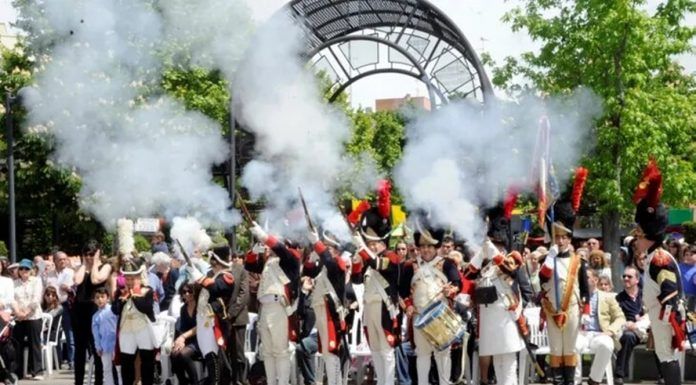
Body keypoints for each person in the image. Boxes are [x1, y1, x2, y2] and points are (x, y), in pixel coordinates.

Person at [631, 159, 683, 385]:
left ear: (649, 236)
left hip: (664, 316)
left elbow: (670, 290)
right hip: (658, 315)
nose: (637, 240)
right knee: (663, 357)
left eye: (639, 235)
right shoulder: (653, 257)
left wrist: (666, 319)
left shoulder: (659, 258)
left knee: (666, 357)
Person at [349, 191, 402, 385]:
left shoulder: (392, 256)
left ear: (383, 241)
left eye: (375, 242)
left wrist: (364, 251)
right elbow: (356, 280)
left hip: (384, 307)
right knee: (376, 350)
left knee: (387, 351)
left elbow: (379, 265)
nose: (372, 246)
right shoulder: (366, 258)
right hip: (369, 308)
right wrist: (356, 260)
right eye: (369, 242)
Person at [400, 222, 461, 385]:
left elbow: (457, 283)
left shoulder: (447, 264)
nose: (426, 249)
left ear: (436, 247)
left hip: (440, 316)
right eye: (423, 246)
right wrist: (408, 305)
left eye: (429, 246)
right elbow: (402, 292)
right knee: (422, 355)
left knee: (443, 355)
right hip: (419, 317)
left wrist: (450, 291)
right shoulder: (410, 266)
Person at [539, 200, 590, 385]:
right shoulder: (548, 259)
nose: (560, 241)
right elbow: (542, 279)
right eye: (557, 237)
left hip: (572, 309)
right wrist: (549, 258)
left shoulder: (578, 261)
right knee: (555, 349)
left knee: (569, 350)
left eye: (563, 238)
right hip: (553, 309)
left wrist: (585, 312)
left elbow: (585, 289)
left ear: (569, 239)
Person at [246, 224, 301, 385]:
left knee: (281, 351)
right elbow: (249, 264)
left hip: (280, 309)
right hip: (265, 309)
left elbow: (281, 250)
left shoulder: (290, 259)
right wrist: (255, 250)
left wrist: (264, 236)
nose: (268, 248)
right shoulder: (268, 263)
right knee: (267, 352)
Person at [185, 244, 236, 385]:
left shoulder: (227, 276)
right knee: (209, 358)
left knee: (214, 359)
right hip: (204, 322)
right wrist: (193, 275)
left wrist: (198, 276)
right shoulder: (211, 275)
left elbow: (215, 288)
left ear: (216, 260)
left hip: (215, 323)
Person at [574, 269, 625, 385]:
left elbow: (620, 317)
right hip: (580, 333)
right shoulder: (575, 296)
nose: (582, 279)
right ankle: (576, 382)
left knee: (607, 345)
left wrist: (610, 331)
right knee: (573, 345)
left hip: (600, 333)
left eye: (586, 277)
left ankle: (594, 379)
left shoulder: (607, 297)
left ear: (595, 280)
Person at [112, 259, 156, 385]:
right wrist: (122, 300)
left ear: (138, 277)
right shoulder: (120, 292)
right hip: (126, 329)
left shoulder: (147, 290)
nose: (130, 282)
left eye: (133, 279)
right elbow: (115, 310)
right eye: (128, 279)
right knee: (126, 362)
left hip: (143, 328)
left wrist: (135, 295)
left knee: (147, 360)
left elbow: (146, 308)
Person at [73, 240, 111, 385]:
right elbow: (77, 281)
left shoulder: (105, 266)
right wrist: (84, 264)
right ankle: (78, 382)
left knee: (97, 349)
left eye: (92, 254)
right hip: (79, 311)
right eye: (86, 254)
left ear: (98, 253)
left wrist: (95, 262)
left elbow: (96, 280)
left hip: (96, 310)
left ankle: (99, 382)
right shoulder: (81, 267)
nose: (89, 257)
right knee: (80, 350)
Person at [614, 266, 649, 385]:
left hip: (647, 331)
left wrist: (640, 322)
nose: (626, 278)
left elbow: (652, 313)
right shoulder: (619, 298)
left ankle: (663, 375)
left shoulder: (646, 296)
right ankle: (619, 375)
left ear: (637, 280)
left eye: (629, 276)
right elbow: (616, 317)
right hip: (629, 332)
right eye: (624, 276)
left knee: (658, 336)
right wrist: (626, 323)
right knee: (628, 336)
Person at [13, 259, 44, 380]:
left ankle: (37, 371)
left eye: (26, 269)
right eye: (21, 268)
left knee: (34, 343)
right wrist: (18, 313)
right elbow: (12, 299)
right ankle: (18, 372)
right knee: (17, 344)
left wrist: (26, 313)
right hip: (18, 316)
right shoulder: (14, 283)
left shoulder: (36, 281)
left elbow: (36, 298)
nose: (23, 271)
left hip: (33, 315)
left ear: (31, 270)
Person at [171, 283, 201, 385]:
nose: (187, 294)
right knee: (174, 353)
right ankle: (183, 381)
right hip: (189, 339)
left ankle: (194, 382)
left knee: (183, 355)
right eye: (184, 292)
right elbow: (182, 328)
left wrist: (183, 337)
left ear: (195, 292)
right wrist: (179, 342)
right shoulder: (183, 309)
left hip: (201, 340)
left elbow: (200, 327)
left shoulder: (201, 306)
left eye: (190, 291)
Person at [228, 252, 250, 385]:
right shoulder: (218, 271)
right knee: (226, 352)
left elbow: (244, 294)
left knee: (238, 353)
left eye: (238, 257)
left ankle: (241, 379)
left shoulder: (241, 271)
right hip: (223, 319)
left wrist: (231, 313)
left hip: (237, 318)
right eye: (233, 257)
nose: (235, 259)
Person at [52, 251, 75, 369]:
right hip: (53, 306)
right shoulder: (48, 274)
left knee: (69, 333)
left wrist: (69, 288)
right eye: (60, 259)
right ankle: (57, 361)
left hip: (67, 305)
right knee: (54, 334)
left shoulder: (71, 273)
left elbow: (75, 289)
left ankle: (72, 361)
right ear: (54, 261)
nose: (63, 261)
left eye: (65, 259)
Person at [91, 287, 118, 385]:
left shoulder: (113, 310)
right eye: (97, 297)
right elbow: (96, 334)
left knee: (119, 368)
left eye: (102, 297)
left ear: (108, 298)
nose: (100, 299)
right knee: (106, 369)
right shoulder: (95, 316)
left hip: (116, 345)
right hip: (104, 346)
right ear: (94, 300)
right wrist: (98, 346)